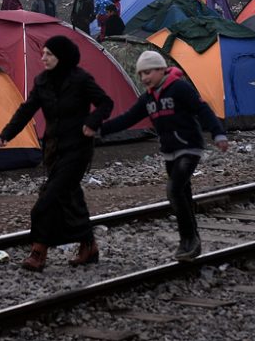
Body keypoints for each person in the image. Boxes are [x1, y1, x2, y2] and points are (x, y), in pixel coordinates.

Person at [88, 50, 228, 261]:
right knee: (184, 194)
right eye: (141, 74)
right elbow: (128, 118)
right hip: (169, 151)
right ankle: (191, 240)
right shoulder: (148, 98)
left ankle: (188, 240)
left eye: (149, 72)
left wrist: (217, 133)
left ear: (162, 69)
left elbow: (202, 109)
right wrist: (99, 130)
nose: (144, 78)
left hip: (189, 147)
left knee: (174, 189)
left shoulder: (180, 88)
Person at [0, 36, 113, 271]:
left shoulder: (81, 79)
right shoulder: (42, 82)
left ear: (62, 57)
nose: (43, 58)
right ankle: (88, 245)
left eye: (48, 54)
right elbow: (27, 109)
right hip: (54, 151)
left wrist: (92, 122)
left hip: (78, 150)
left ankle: (39, 250)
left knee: (46, 201)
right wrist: (7, 134)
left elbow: (105, 103)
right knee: (69, 197)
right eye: (43, 53)